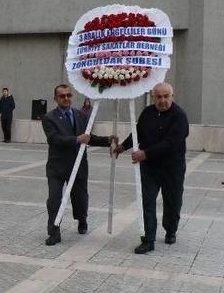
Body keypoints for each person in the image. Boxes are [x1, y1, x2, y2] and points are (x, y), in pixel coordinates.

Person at [114, 83, 189, 254]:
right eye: (159, 97)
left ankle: (171, 230)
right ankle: (149, 239)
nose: (162, 100)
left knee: (172, 202)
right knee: (147, 201)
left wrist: (145, 153)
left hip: (172, 168)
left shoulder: (180, 116)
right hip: (150, 168)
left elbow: (171, 143)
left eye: (166, 96)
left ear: (172, 96)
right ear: (153, 97)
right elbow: (137, 133)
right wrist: (122, 147)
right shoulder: (147, 112)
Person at [42, 84, 113, 246]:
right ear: (55, 98)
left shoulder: (81, 115)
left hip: (79, 165)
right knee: (54, 199)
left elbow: (88, 137)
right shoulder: (49, 118)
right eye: (62, 96)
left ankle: (82, 219)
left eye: (68, 95)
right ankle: (54, 232)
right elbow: (53, 139)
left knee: (80, 198)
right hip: (57, 167)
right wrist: (76, 140)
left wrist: (107, 140)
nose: (66, 98)